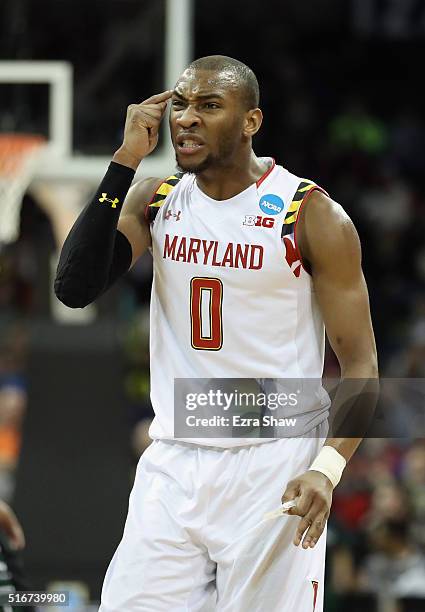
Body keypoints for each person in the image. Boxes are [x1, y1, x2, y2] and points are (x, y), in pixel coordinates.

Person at [54, 56, 378, 611]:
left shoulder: (309, 213)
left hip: (274, 460)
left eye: (208, 106)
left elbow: (363, 370)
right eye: (180, 104)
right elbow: (74, 287)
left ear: (251, 121)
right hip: (175, 457)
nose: (186, 119)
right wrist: (126, 159)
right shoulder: (156, 199)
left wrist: (327, 468)